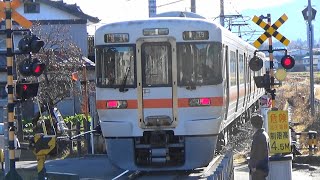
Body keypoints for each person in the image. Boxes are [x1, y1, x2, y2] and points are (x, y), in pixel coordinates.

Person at [248, 114, 270, 180]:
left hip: (258, 170)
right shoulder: (264, 134)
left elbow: (258, 154)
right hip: (262, 168)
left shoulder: (258, 137)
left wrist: (253, 166)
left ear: (253, 125)